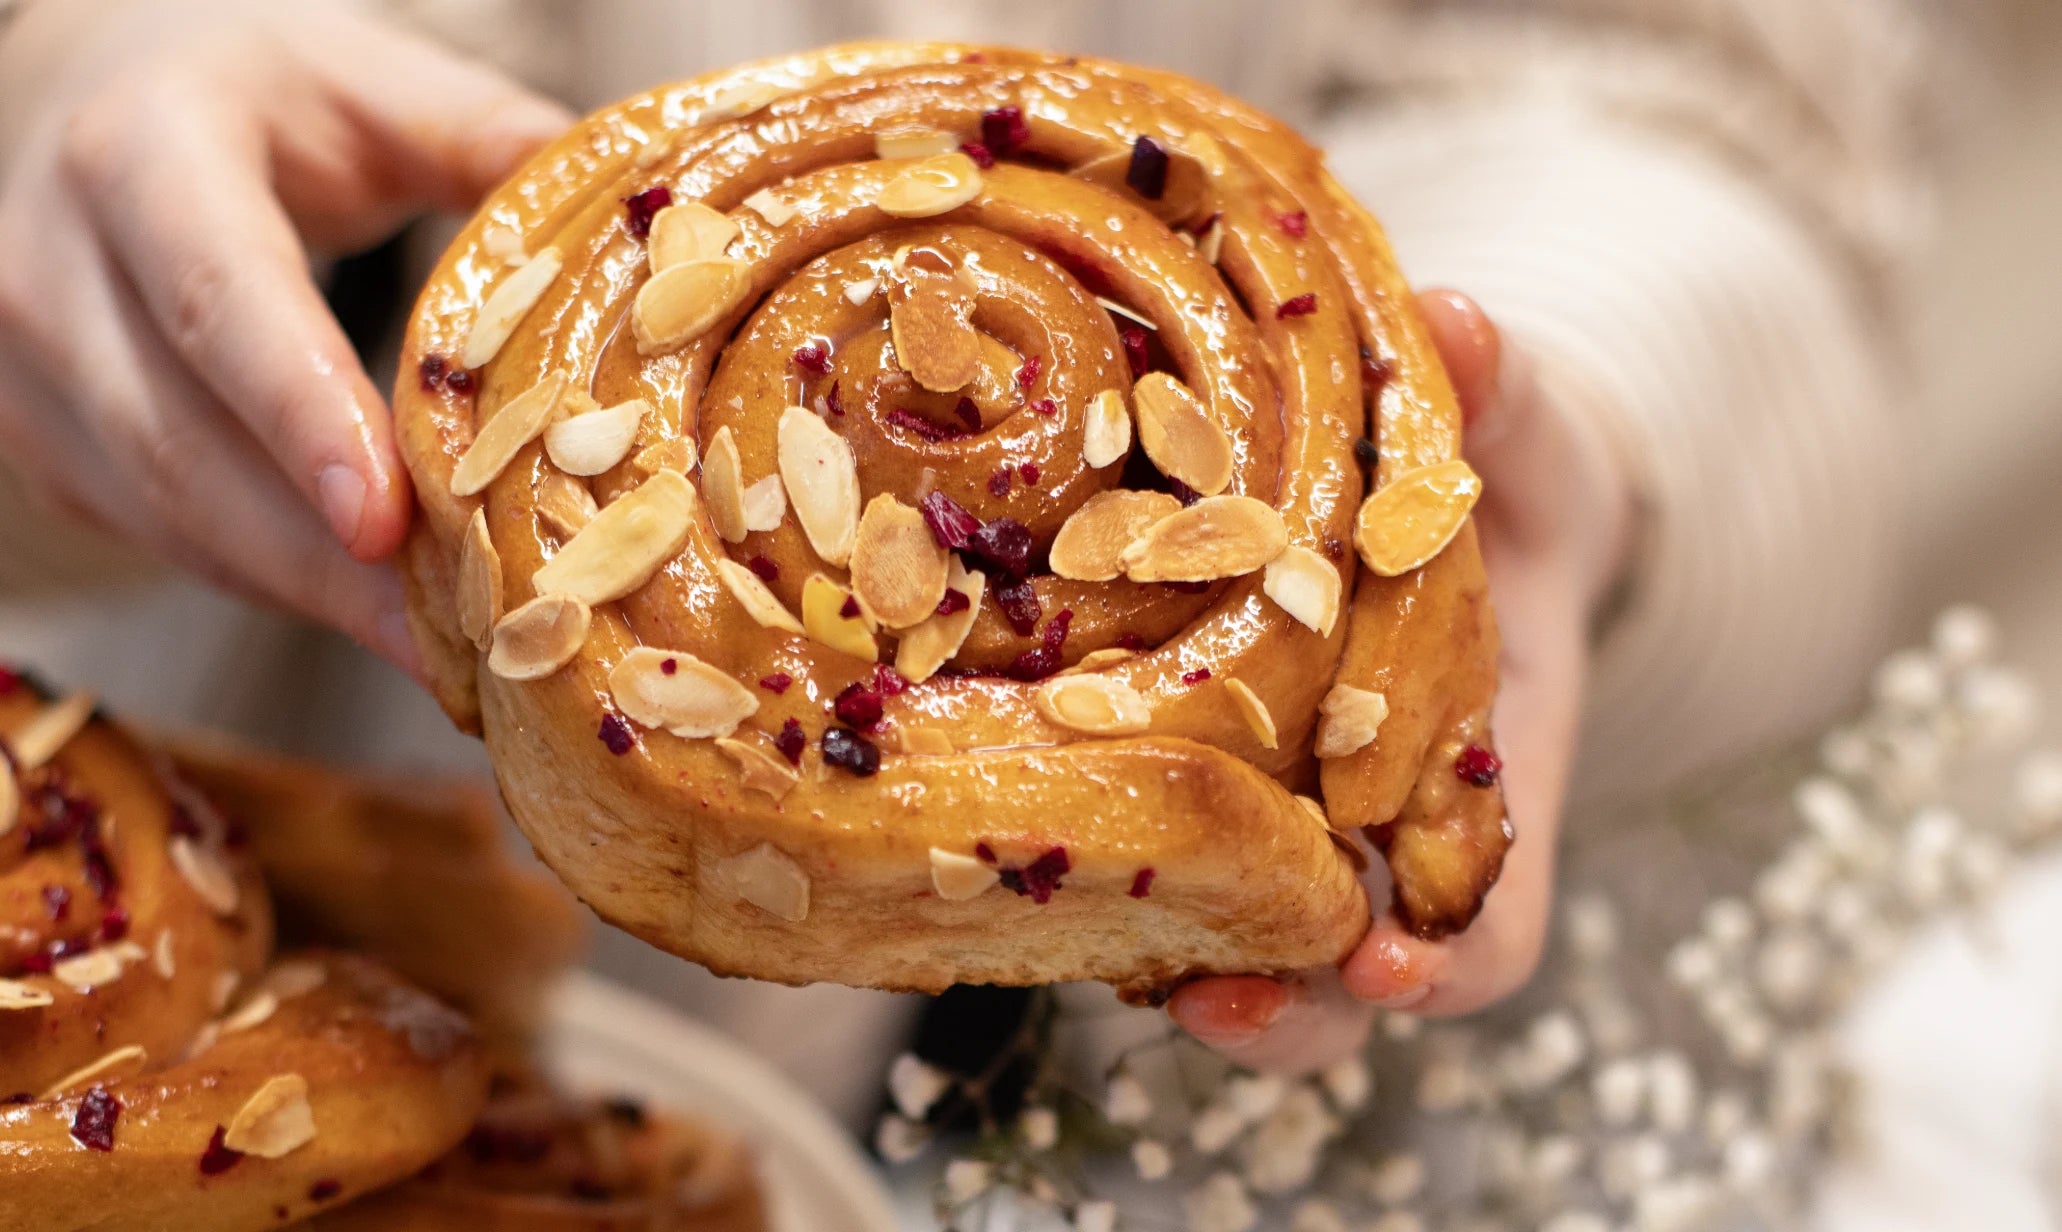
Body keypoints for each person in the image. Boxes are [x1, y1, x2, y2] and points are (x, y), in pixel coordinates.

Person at [0, 0, 1926, 1086]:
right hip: (279, 822)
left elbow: (1708, 114)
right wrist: (68, 82)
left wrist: (1578, 423)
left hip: (1294, 1114)